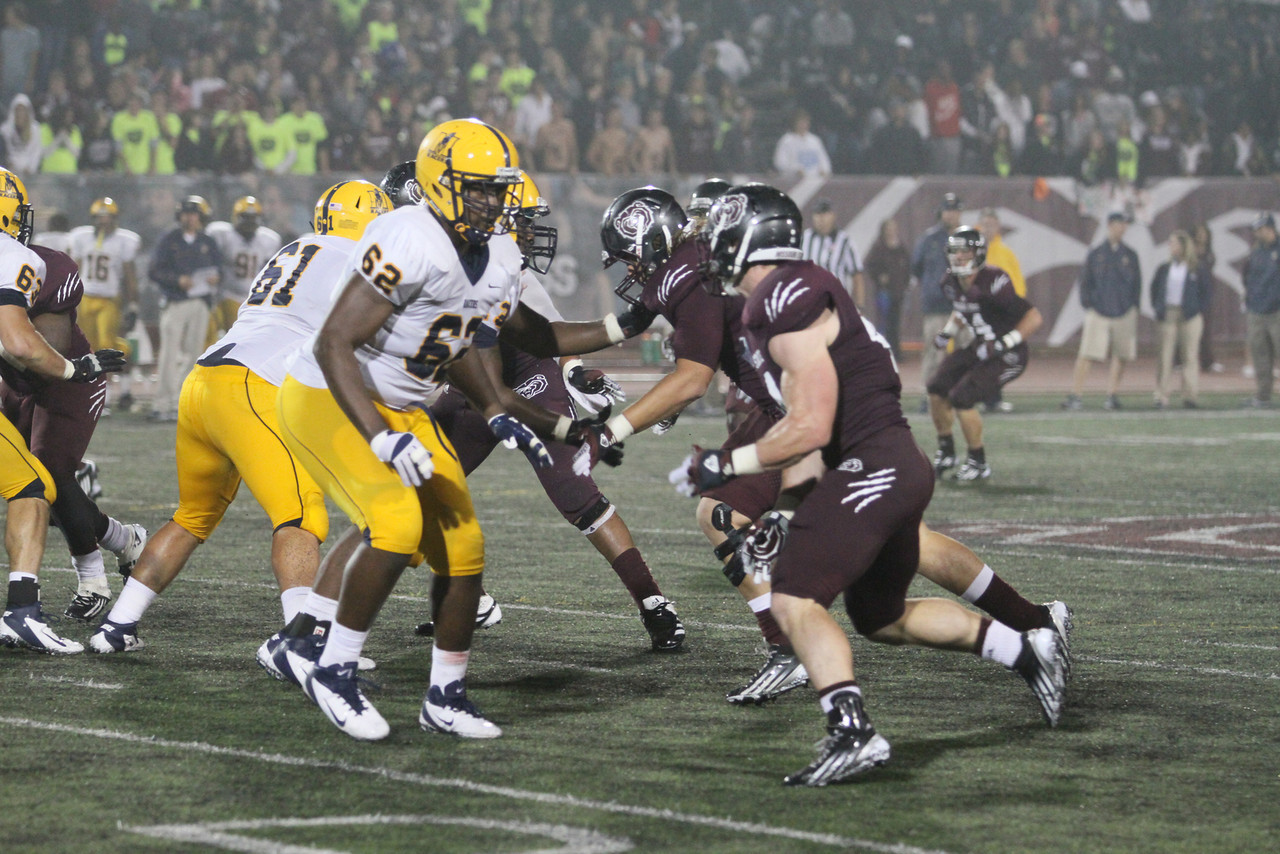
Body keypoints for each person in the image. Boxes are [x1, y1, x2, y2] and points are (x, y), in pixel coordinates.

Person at [569, 186, 1069, 707]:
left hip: (840, 428)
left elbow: (761, 394)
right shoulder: (759, 288)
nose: (708, 251)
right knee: (898, 568)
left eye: (716, 236)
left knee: (769, 560)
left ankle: (811, 674)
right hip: (834, 423)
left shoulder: (763, 290)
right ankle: (1032, 626)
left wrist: (713, 457)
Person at [683, 183, 1066, 786]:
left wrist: (724, 467)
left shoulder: (783, 297)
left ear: (746, 237)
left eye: (721, 232)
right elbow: (813, 448)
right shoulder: (792, 291)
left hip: (872, 466)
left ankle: (852, 734)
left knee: (794, 598)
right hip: (887, 463)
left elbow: (807, 426)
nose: (712, 245)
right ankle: (1028, 651)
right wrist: (781, 511)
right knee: (879, 617)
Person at [273, 118, 552, 742]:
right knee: (396, 525)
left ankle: (445, 696)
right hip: (329, 395)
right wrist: (380, 437)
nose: (492, 201)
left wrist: (498, 408)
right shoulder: (408, 235)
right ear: (440, 181)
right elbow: (333, 343)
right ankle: (335, 669)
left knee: (464, 547)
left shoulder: (494, 254)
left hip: (403, 404)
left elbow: (452, 345)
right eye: (477, 188)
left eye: (496, 189)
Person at [89, 181, 391, 656]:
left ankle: (116, 626)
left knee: (192, 517)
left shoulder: (293, 249)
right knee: (300, 514)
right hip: (253, 386)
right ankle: (304, 641)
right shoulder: (359, 262)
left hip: (205, 382)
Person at [420, 169, 685, 652]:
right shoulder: (444, 263)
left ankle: (654, 604)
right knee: (419, 489)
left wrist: (581, 367)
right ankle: (463, 598)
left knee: (574, 493)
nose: (529, 232)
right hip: (478, 382)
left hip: (523, 376)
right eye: (521, 220)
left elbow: (548, 331)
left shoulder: (501, 262)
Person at [0, 167, 127, 654]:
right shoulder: (14, 255)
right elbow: (18, 349)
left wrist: (80, 370)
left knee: (47, 475)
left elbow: (41, 359)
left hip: (63, 381)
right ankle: (123, 540)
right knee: (34, 485)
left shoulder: (46, 265)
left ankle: (93, 580)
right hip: (25, 377)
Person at [928, 227, 1043, 482]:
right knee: (936, 386)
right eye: (954, 252)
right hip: (981, 347)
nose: (959, 257)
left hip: (1009, 353)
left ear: (978, 253)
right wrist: (947, 332)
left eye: (964, 251)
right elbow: (963, 310)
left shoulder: (994, 280)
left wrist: (1005, 343)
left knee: (962, 397)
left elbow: (1033, 317)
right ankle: (947, 451)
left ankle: (978, 462)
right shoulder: (950, 282)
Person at [147, 195, 222, 422]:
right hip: (176, 301)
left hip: (201, 302)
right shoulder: (169, 240)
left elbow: (219, 269)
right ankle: (163, 403)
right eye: (186, 214)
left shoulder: (208, 242)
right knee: (169, 354)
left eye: (194, 214)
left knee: (194, 354)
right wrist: (177, 280)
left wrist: (215, 278)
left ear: (202, 217)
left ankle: (181, 400)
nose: (190, 218)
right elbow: (154, 271)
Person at [67, 197, 141, 411]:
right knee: (86, 347)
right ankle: (94, 393)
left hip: (109, 300)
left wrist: (133, 304)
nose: (104, 222)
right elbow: (74, 270)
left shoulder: (123, 241)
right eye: (100, 217)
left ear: (115, 219)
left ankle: (105, 397)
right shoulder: (81, 238)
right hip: (86, 298)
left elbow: (129, 276)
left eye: (108, 217)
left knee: (106, 345)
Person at [1062, 212, 1141, 411]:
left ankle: (1112, 394)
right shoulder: (1096, 253)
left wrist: (1133, 305)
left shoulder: (1130, 255)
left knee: (1121, 355)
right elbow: (1085, 282)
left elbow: (1137, 284)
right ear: (1110, 225)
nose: (1122, 228)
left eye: (1124, 224)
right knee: (1087, 353)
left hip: (1123, 311)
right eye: (1119, 224)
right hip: (1099, 311)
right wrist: (1089, 303)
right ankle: (1076, 394)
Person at [911, 193, 964, 412]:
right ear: (941, 213)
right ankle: (930, 395)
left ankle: (962, 394)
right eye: (947, 210)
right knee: (934, 353)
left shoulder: (967, 238)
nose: (951, 214)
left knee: (964, 352)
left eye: (954, 210)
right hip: (935, 305)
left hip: (962, 305)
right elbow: (916, 267)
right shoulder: (929, 239)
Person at [205, 196, 284, 341]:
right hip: (227, 295)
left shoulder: (268, 239)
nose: (249, 222)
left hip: (253, 298)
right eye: (245, 217)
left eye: (253, 218)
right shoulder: (222, 234)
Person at [976, 208, 1026, 412]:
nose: (988, 228)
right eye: (985, 224)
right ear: (979, 226)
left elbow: (1018, 284)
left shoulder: (1005, 253)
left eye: (992, 224)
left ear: (998, 227)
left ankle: (993, 398)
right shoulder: (973, 252)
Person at [1151, 230, 1204, 409]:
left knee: (1189, 355)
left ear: (1183, 246)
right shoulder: (1164, 268)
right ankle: (1161, 395)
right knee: (1165, 355)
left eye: (1173, 243)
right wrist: (1159, 309)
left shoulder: (1196, 268)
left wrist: (1195, 309)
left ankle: (1190, 395)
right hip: (1169, 313)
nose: (1170, 246)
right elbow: (1155, 289)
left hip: (1189, 315)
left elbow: (1206, 292)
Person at [1241, 212, 1280, 408]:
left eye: (1260, 229)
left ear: (1270, 228)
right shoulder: (1256, 251)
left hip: (1277, 312)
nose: (1257, 233)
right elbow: (1248, 277)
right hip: (1257, 311)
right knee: (1260, 356)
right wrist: (1250, 299)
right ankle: (1263, 395)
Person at [801, 198, 866, 308]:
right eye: (818, 214)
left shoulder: (844, 241)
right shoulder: (804, 239)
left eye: (825, 214)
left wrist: (859, 305)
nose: (821, 218)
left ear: (833, 215)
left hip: (835, 303)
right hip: (807, 302)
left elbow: (857, 275)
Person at [863, 218, 910, 359]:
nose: (891, 230)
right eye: (889, 228)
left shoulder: (900, 247)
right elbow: (869, 264)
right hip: (884, 292)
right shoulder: (878, 247)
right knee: (884, 322)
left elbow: (908, 266)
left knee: (895, 322)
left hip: (899, 291)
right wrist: (879, 277)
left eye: (894, 227)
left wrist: (905, 283)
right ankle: (883, 351)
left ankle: (896, 351)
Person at [1192, 223, 1223, 374]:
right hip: (1191, 295)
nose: (1202, 236)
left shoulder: (1209, 253)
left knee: (1205, 330)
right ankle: (1179, 360)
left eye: (1204, 233)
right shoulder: (1190, 252)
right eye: (1199, 233)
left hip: (1206, 294)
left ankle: (1206, 361)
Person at [772, 109, 831, 179]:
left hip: (814, 181)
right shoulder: (786, 140)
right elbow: (779, 162)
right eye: (801, 122)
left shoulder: (815, 140)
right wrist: (795, 170)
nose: (803, 124)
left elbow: (824, 160)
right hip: (793, 181)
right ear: (795, 123)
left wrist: (825, 170)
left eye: (806, 121)